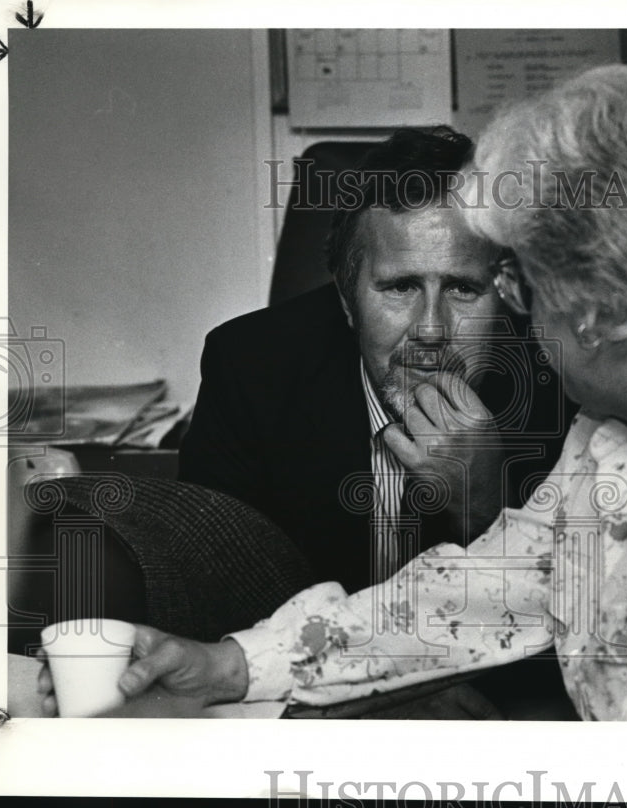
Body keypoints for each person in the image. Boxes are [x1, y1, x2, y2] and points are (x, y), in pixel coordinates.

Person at [42, 65, 627, 722]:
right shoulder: (622, 430)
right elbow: (484, 592)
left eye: (516, 281)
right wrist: (231, 664)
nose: (511, 310)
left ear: (604, 310)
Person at [174, 126, 577, 718]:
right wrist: (383, 696)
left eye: (463, 288)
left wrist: (482, 504)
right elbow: (216, 592)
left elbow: (578, 632)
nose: (432, 329)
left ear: (510, 294)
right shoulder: (253, 368)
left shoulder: (559, 378)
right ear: (345, 298)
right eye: (401, 286)